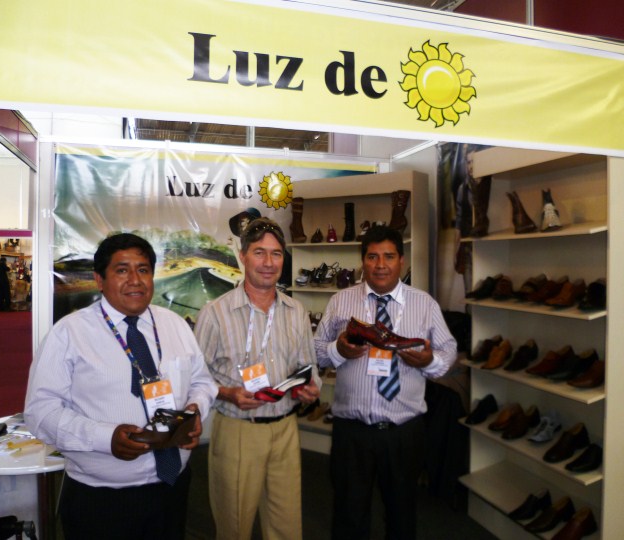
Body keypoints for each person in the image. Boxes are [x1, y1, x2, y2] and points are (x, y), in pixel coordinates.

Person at [24, 233, 218, 540]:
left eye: (143, 270)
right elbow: (41, 412)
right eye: (122, 270)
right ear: (99, 280)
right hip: (102, 500)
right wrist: (105, 437)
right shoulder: (69, 333)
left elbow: (201, 381)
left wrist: (195, 409)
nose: (135, 280)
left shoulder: (175, 325)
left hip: (172, 487)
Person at [314, 225, 457, 540]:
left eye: (389, 256)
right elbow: (317, 352)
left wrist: (428, 361)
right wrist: (338, 350)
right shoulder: (340, 301)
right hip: (352, 431)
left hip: (404, 431)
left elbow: (448, 353)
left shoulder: (425, 304)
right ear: (363, 260)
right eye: (373, 257)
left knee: (402, 515)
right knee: (349, 515)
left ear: (401, 261)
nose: (381, 265)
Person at [194, 217, 321, 540]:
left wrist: (310, 389)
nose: (268, 263)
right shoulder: (215, 313)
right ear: (242, 256)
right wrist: (228, 393)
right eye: (259, 252)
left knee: (287, 526)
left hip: (286, 430)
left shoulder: (296, 311)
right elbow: (195, 380)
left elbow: (309, 367)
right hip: (239, 430)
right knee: (234, 526)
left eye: (276, 254)